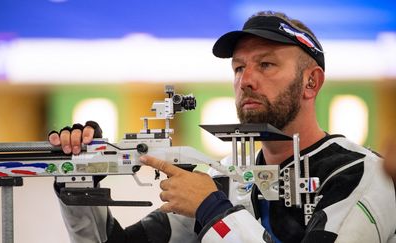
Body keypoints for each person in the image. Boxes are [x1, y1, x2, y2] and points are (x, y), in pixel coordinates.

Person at [49, 11, 396, 243]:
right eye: (238, 68)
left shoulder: (363, 175)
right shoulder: (225, 182)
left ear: (311, 83)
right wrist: (78, 185)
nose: (246, 80)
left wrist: (214, 212)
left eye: (266, 64)